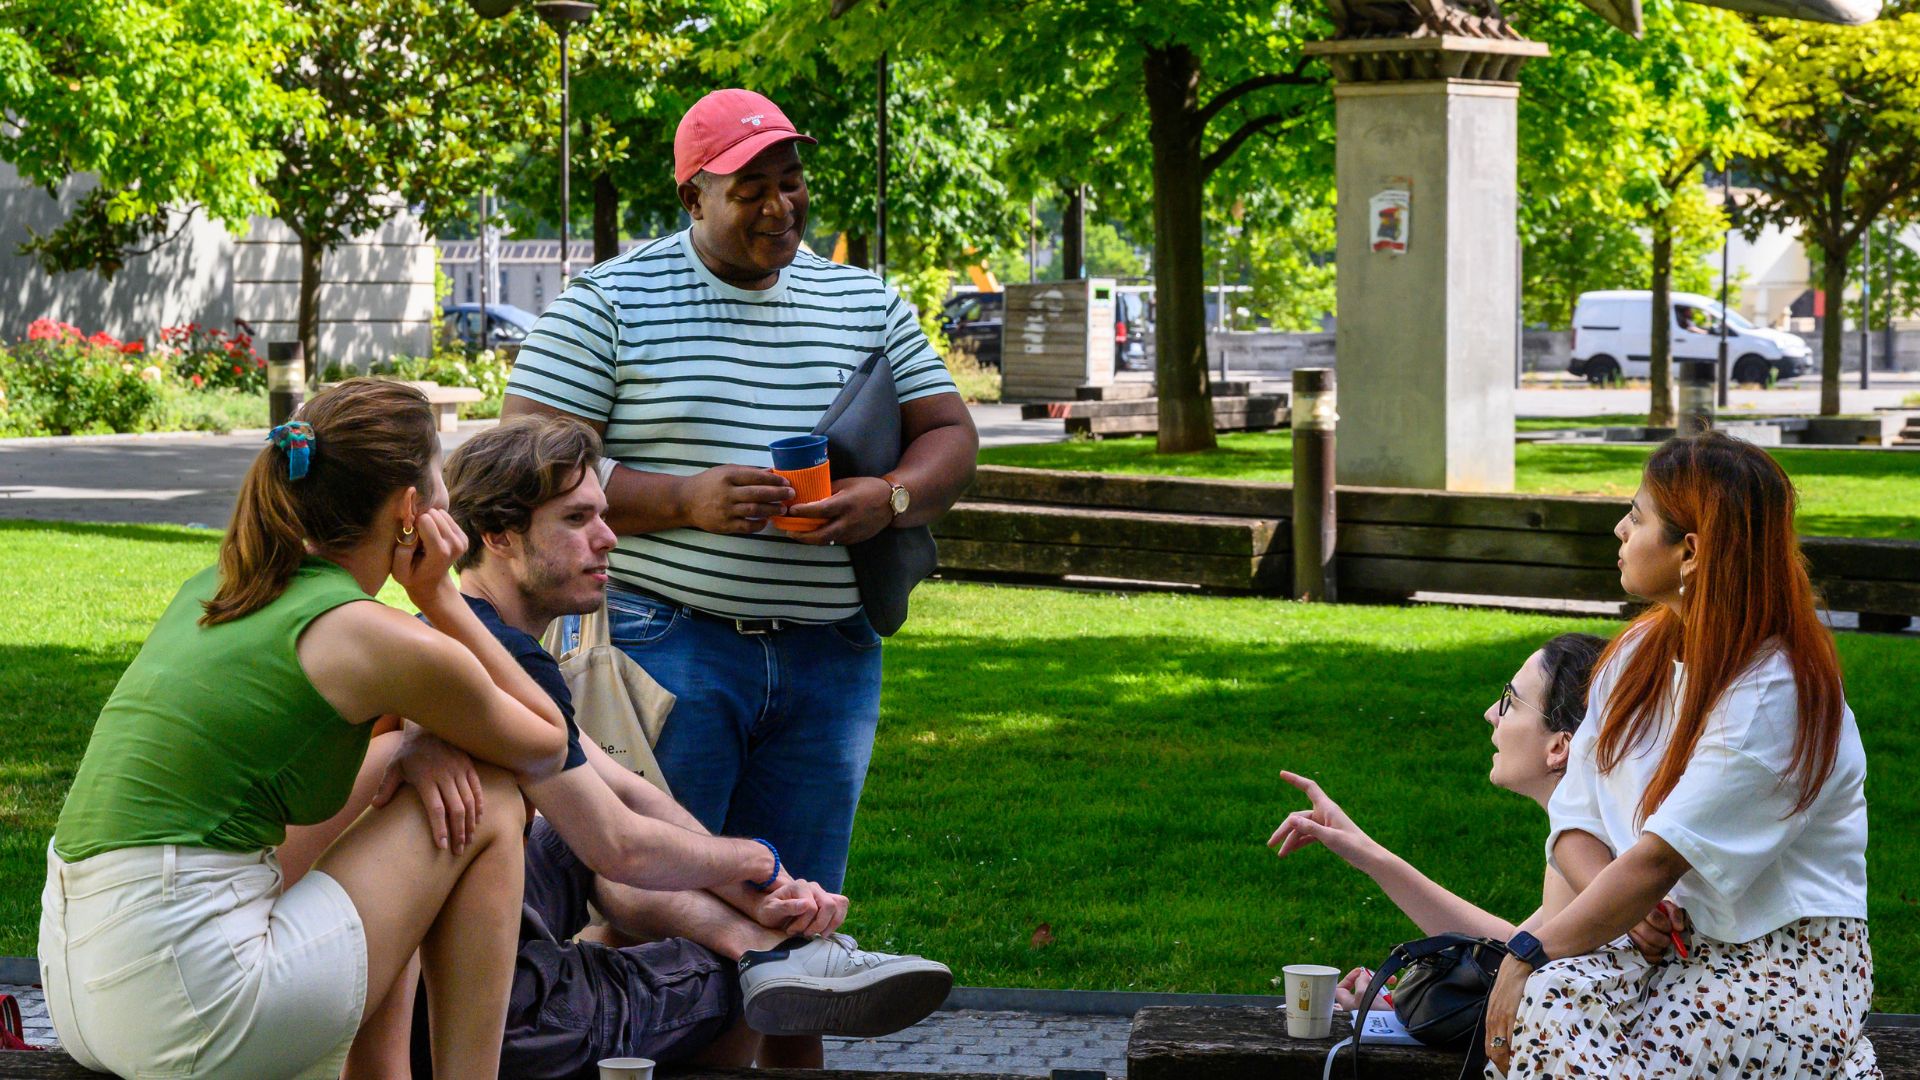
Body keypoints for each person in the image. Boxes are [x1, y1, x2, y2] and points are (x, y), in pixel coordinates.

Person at [500, 87, 978, 1065]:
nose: (779, 206)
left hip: (828, 657)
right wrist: (684, 501)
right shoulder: (612, 302)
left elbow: (951, 435)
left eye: (791, 183)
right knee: (657, 911)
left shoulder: (864, 299)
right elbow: (521, 466)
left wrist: (886, 498)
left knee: (800, 932)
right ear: (693, 196)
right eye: (749, 189)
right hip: (664, 642)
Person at [38, 380, 571, 1079]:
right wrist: (441, 597)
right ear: (410, 509)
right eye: (438, 480)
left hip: (87, 987)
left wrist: (409, 747)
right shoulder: (370, 635)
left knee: (416, 779)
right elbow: (547, 744)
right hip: (191, 1001)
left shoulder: (220, 587)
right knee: (491, 796)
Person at [1483, 431, 1874, 1078]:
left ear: (1690, 552)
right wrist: (1627, 916)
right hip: (1667, 951)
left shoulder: (1777, 695)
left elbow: (1659, 860)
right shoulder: (1635, 661)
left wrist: (1526, 949)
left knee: (1544, 991)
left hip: (1779, 969)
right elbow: (1574, 821)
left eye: (1637, 517)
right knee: (1550, 1004)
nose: (1619, 529)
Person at [1270, 633, 1607, 1008]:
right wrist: (1365, 853)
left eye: (1510, 701)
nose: (1491, 713)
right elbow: (1508, 953)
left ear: (1559, 747)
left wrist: (1410, 1010)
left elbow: (1533, 997)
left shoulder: (1583, 844)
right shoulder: (1594, 836)